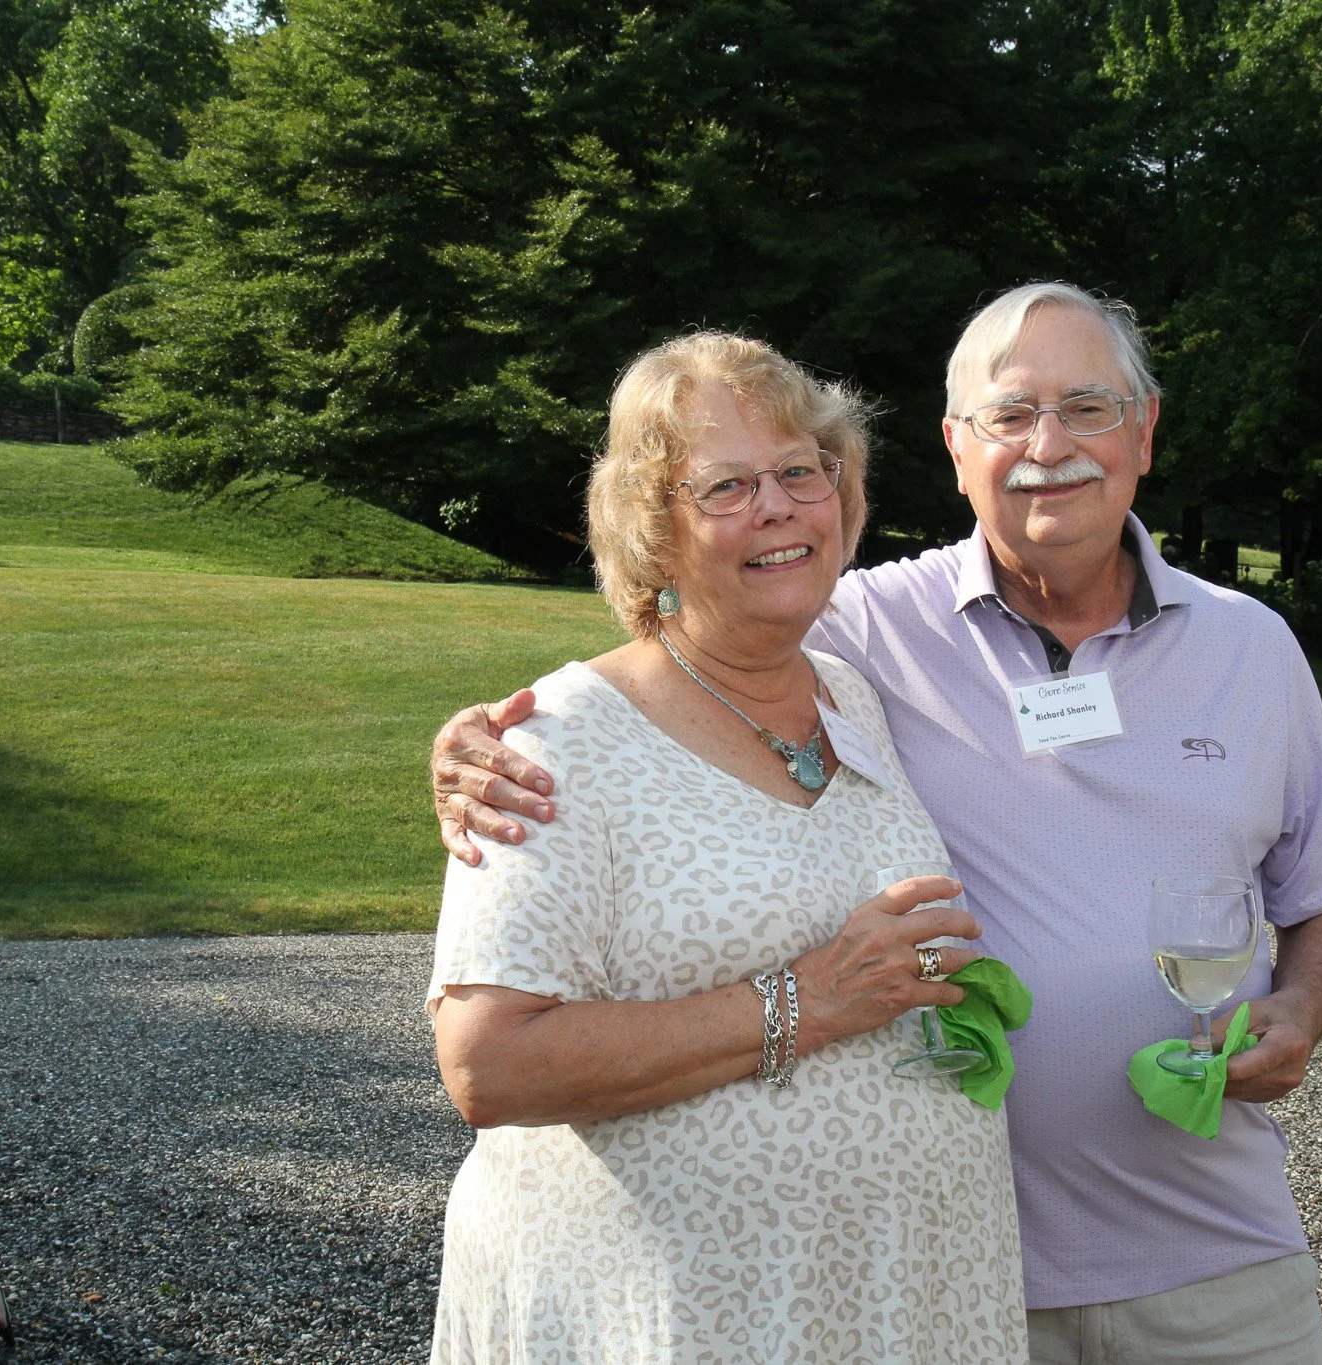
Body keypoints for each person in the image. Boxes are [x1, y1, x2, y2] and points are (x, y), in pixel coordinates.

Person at [430, 283, 1322, 1364]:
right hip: (948, 1286)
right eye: (1008, 415)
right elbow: (671, 654)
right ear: (953, 445)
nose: (1048, 447)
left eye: (1086, 408)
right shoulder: (859, 626)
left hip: (1208, 1256)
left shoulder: (1247, 648)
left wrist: (1301, 1006)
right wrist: (481, 742)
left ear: (1144, 430)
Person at [425, 331, 1029, 1363]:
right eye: (724, 487)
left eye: (801, 470)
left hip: (897, 1301)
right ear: (650, 529)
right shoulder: (554, 747)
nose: (778, 507)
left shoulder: (851, 695)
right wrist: (803, 1001)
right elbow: (490, 1064)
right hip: (684, 1319)